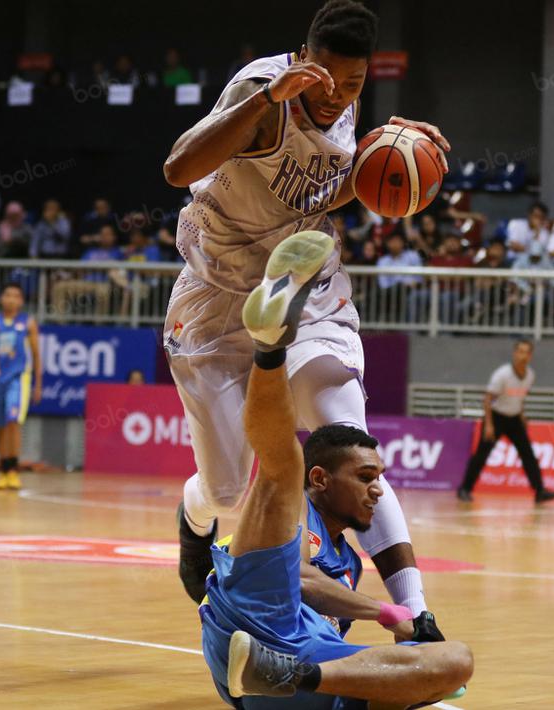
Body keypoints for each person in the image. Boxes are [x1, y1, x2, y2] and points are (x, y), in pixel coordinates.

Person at [161, 0, 452, 623]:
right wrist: (269, 98)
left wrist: (386, 155)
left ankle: (416, 615)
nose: (336, 96)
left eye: (353, 84)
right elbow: (177, 167)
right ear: (302, 58)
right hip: (218, 299)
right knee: (229, 488)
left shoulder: (345, 106)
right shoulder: (260, 90)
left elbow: (320, 192)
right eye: (326, 79)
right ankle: (196, 513)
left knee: (349, 439)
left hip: (300, 281)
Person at [199, 233, 472, 708]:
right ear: (323, 480)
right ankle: (270, 346)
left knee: (454, 663)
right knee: (282, 463)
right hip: (256, 628)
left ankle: (290, 677)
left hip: (299, 673)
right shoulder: (296, 510)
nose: (376, 491)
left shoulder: (347, 560)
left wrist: (412, 649)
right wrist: (392, 612)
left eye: (377, 478)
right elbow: (301, 580)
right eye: (365, 478)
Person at [456, 340, 554, 504]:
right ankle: (464, 489)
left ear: (530, 356)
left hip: (514, 419)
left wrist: (522, 417)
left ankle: (540, 491)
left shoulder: (530, 375)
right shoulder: (502, 374)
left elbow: (519, 398)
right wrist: (488, 425)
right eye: (520, 351)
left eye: (526, 352)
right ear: (514, 353)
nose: (522, 355)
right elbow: (488, 399)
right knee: (482, 455)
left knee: (528, 455)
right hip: (496, 418)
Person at [0, 283, 42, 491]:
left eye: (16, 296)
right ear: (1, 298)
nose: (11, 299)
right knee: (1, 425)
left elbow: (36, 355)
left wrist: (38, 384)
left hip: (18, 378)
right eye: (8, 295)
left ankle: (13, 469)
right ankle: (3, 470)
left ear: (21, 301)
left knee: (13, 421)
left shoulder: (27, 323)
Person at [53, 224, 124, 316]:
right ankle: (59, 322)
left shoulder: (117, 252)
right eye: (102, 234)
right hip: (86, 282)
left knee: (103, 291)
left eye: (107, 234)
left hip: (104, 283)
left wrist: (93, 267)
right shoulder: (90, 251)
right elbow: (81, 268)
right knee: (59, 287)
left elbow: (114, 269)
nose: (104, 237)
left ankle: (100, 325)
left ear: (114, 237)